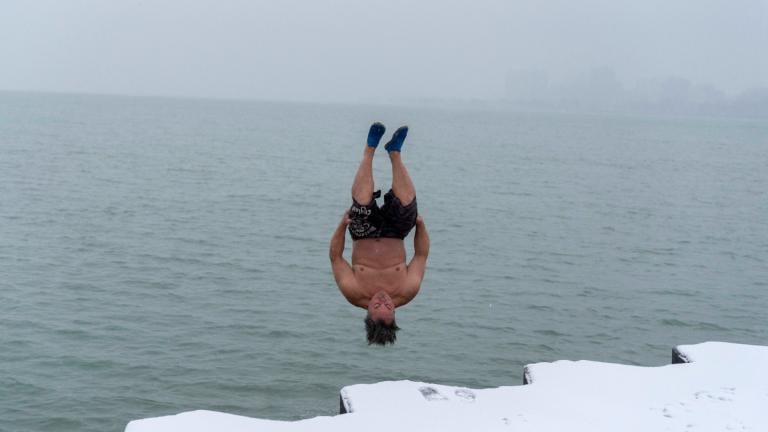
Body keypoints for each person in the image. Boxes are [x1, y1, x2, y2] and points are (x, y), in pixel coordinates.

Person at [329, 123, 430, 346]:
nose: (383, 301)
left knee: (362, 202)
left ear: (368, 312)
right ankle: (394, 152)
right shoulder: (407, 290)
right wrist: (420, 226)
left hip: (363, 235)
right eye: (389, 307)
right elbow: (421, 255)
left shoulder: (353, 292)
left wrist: (342, 226)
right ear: (395, 312)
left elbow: (336, 258)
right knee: (407, 204)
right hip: (396, 233)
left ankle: (369, 150)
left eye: (377, 307)